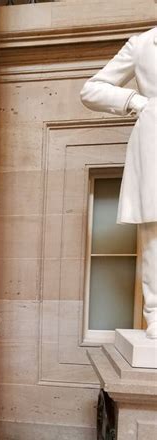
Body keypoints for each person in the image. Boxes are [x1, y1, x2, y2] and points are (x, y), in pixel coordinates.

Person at [81, 27, 157, 339]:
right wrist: (137, 102)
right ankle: (156, 318)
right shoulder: (142, 45)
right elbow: (91, 90)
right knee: (156, 237)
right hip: (155, 145)